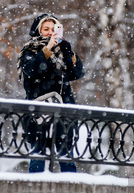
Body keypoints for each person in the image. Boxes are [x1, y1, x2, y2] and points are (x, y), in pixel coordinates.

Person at [17, 13, 84, 173]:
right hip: (38, 112)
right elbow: (32, 70)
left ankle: (70, 189)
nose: (50, 32)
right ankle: (35, 189)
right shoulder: (30, 50)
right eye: (46, 29)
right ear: (38, 31)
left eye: (53, 29)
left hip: (63, 111)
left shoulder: (63, 50)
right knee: (37, 159)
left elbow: (76, 74)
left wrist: (71, 54)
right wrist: (47, 50)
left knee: (66, 158)